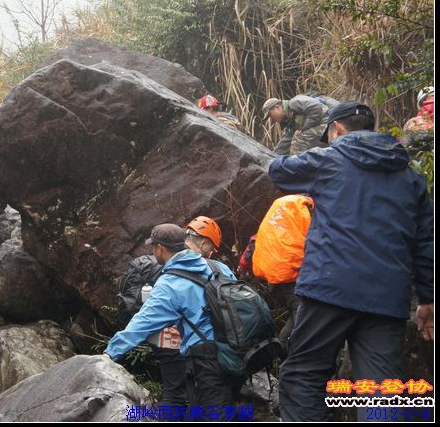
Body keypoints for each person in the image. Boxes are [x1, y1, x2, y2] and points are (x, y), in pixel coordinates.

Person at [267, 101, 434, 422]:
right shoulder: (410, 177)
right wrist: (428, 298)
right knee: (381, 388)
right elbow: (426, 242)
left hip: (328, 288)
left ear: (337, 129)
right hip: (387, 298)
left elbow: (278, 170)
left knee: (303, 373)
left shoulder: (328, 158)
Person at [103, 223, 242, 411]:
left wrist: (110, 353)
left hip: (205, 358)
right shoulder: (217, 267)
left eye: (153, 247)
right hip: (235, 348)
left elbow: (142, 324)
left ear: (160, 248)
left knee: (210, 413)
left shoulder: (170, 284)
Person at [262, 95, 330, 155]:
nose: (271, 119)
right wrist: (273, 156)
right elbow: (285, 142)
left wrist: (304, 128)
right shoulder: (288, 121)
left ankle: (296, 166)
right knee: (296, 138)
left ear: (277, 107)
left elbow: (316, 107)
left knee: (299, 138)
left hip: (329, 124)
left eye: (270, 115)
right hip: (321, 130)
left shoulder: (294, 102)